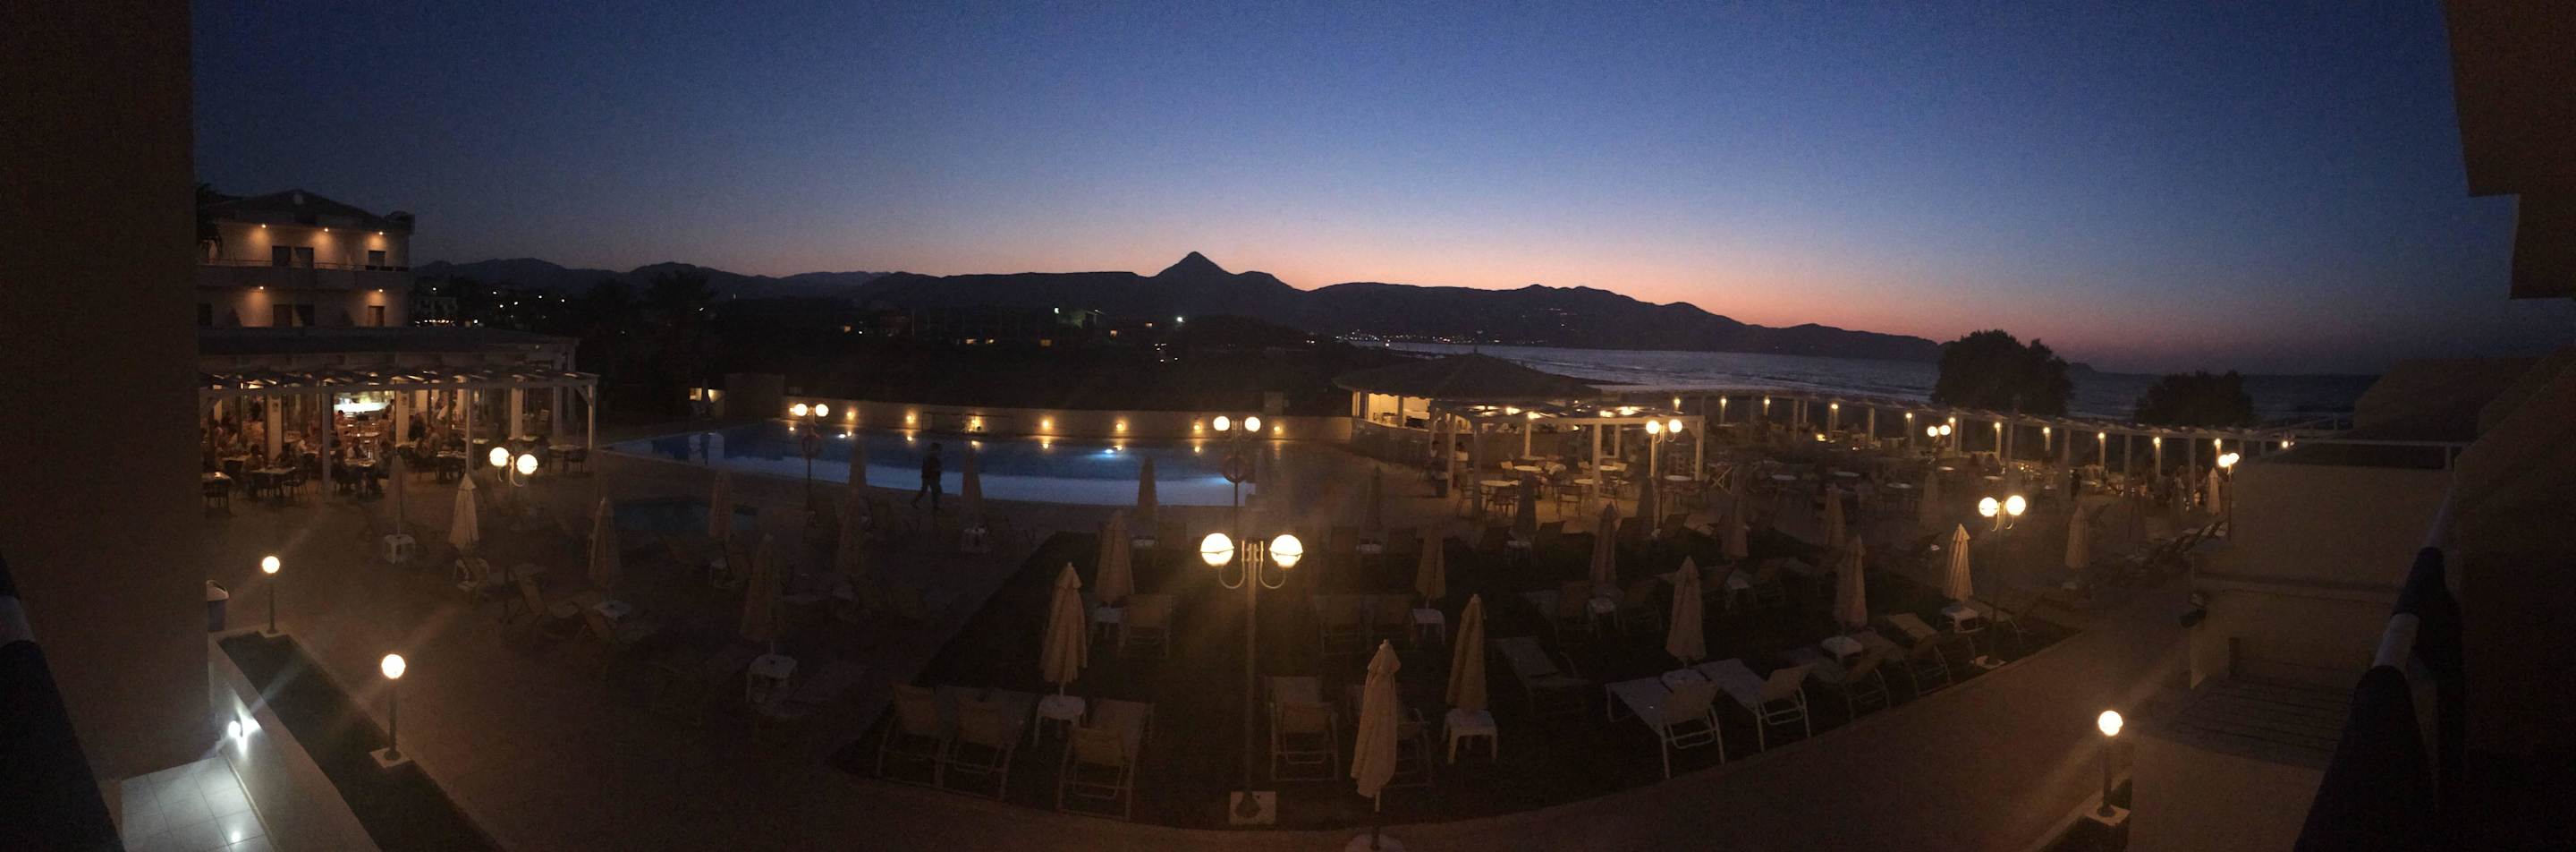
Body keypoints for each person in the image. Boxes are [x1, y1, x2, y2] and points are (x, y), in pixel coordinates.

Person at [912, 442, 944, 513]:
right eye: (939, 449)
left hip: (929, 476)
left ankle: (915, 502)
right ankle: (935, 506)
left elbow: (930, 467)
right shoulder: (931, 457)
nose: (939, 451)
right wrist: (937, 470)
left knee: (928, 491)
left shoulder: (931, 456)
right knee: (934, 491)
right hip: (930, 477)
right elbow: (931, 467)